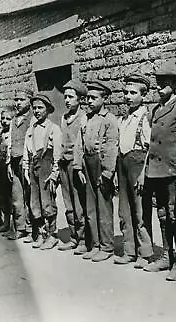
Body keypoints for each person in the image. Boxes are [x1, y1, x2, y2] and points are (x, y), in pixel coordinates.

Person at [142, 61, 176, 280]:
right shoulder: (157, 109)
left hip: (174, 172)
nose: (158, 88)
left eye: (164, 84)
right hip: (157, 171)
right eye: (157, 84)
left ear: (174, 84)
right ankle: (167, 256)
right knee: (163, 215)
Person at [74, 80, 119, 263]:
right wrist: (78, 167)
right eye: (87, 98)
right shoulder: (85, 118)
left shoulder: (109, 120)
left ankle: (107, 246)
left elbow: (111, 146)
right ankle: (96, 244)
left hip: (101, 165)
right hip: (87, 163)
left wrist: (108, 172)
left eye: (94, 98)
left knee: (104, 206)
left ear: (105, 98)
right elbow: (79, 143)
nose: (89, 102)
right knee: (91, 206)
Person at [113, 73, 153, 268]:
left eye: (132, 93)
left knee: (140, 211)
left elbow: (150, 149)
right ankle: (129, 250)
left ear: (143, 95)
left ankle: (144, 253)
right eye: (125, 92)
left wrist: (144, 173)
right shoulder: (124, 118)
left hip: (138, 164)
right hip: (122, 164)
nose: (127, 96)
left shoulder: (145, 117)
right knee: (124, 210)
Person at [23, 93, 62, 250]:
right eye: (35, 108)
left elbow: (58, 153)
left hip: (47, 167)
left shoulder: (53, 128)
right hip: (34, 167)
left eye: (40, 108)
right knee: (35, 202)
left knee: (47, 202)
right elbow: (27, 149)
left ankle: (52, 235)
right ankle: (40, 233)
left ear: (48, 110)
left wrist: (54, 173)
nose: (37, 111)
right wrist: (26, 167)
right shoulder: (31, 128)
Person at [57, 79, 89, 254]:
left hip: (76, 165)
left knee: (79, 203)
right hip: (63, 163)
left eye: (71, 97)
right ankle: (73, 236)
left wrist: (79, 166)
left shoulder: (84, 118)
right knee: (68, 203)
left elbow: (82, 144)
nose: (67, 100)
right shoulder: (64, 117)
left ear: (80, 99)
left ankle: (84, 239)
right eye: (65, 97)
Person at [6, 86, 34, 240]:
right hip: (15, 159)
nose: (18, 103)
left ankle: (31, 229)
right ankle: (20, 227)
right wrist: (9, 162)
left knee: (29, 195)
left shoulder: (32, 119)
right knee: (17, 196)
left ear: (30, 101)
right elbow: (10, 142)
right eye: (16, 99)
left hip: (26, 161)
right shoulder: (13, 120)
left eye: (22, 100)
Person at [0, 109, 14, 234]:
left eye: (8, 119)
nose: (5, 121)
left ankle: (13, 225)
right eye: (3, 118)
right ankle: (4, 222)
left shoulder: (12, 135)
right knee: (1, 196)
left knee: (11, 196)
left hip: (9, 168)